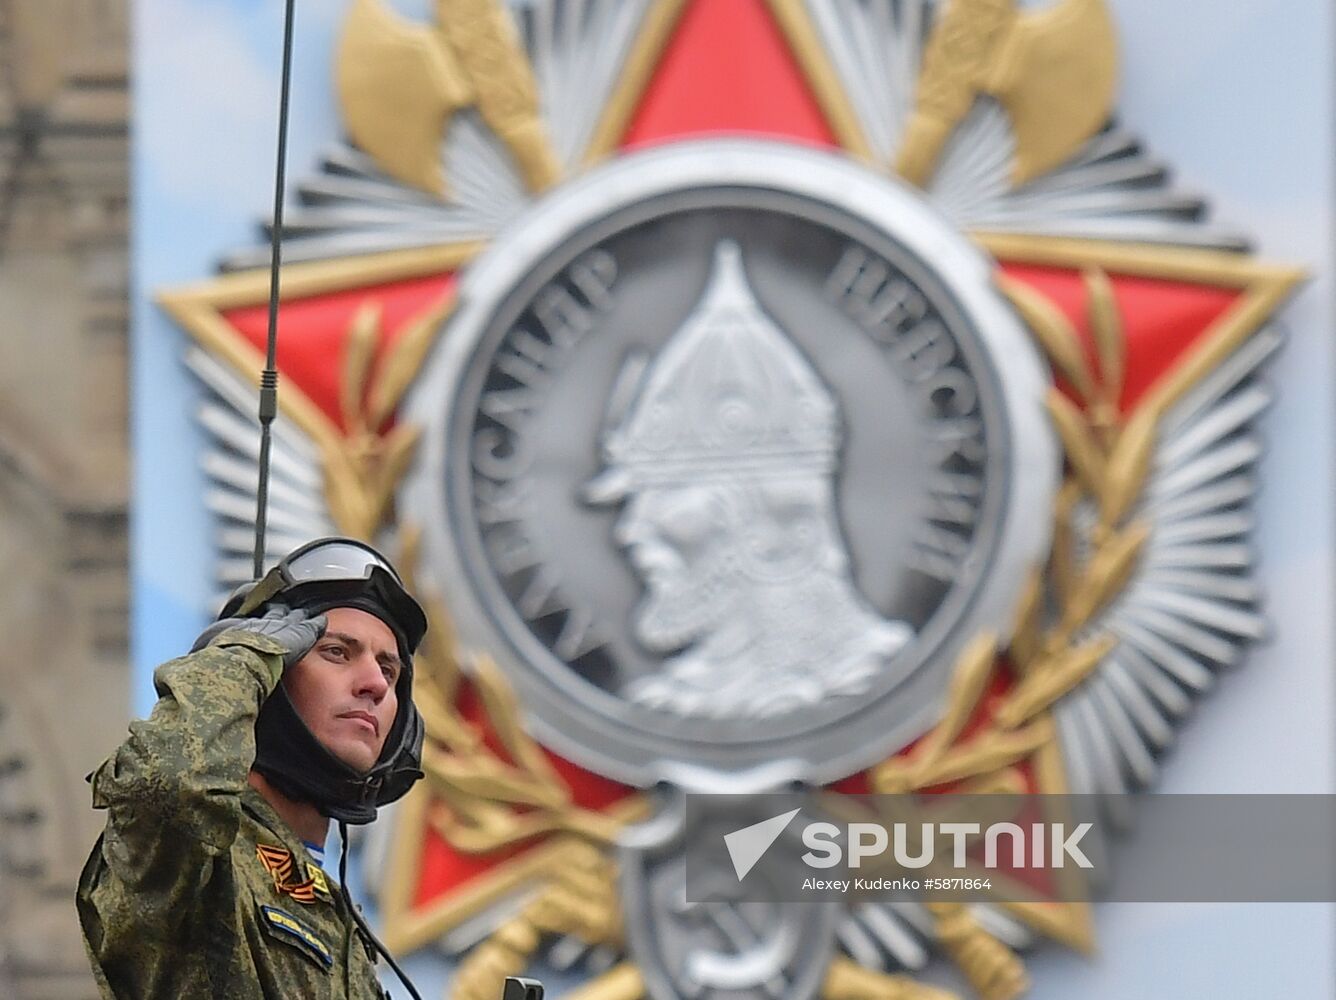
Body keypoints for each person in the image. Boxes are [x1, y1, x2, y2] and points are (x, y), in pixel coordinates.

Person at [77, 537, 428, 999]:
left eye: (388, 669)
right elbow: (170, 785)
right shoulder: (196, 860)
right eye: (338, 652)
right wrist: (246, 654)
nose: (375, 686)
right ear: (271, 682)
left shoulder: (339, 922)